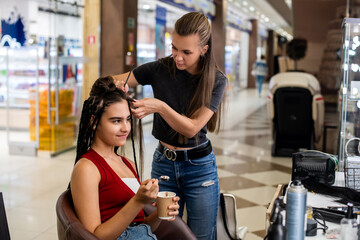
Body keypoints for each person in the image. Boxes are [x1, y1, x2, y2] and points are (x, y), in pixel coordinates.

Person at [113, 11, 228, 240]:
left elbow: (192, 127)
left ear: (204, 49)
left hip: (200, 169)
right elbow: (116, 80)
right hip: (164, 165)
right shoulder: (160, 69)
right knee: (164, 232)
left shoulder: (216, 80)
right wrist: (117, 85)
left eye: (186, 51)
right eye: (174, 48)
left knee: (201, 236)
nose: (177, 57)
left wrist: (159, 107)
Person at [70, 76, 180, 240]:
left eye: (128, 120)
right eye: (116, 121)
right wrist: (138, 201)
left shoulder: (128, 164)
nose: (125, 128)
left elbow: (140, 227)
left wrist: (159, 214)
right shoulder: (87, 168)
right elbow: (94, 236)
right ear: (94, 122)